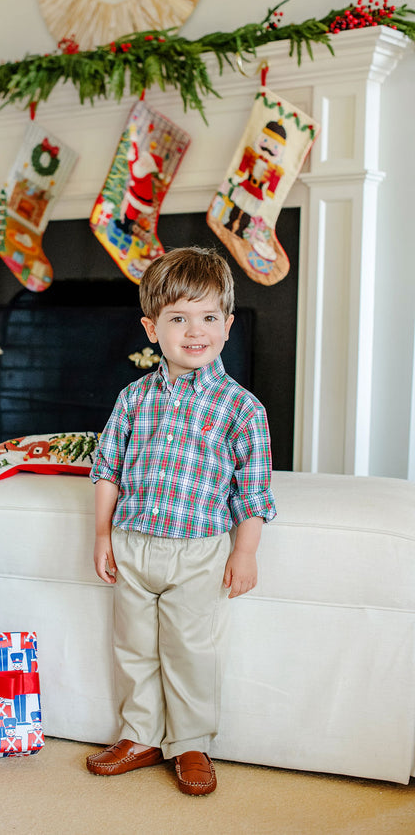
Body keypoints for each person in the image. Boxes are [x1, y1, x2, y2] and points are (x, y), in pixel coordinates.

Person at [86, 246, 276, 796]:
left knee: (191, 649)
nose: (196, 331)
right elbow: (108, 469)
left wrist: (246, 551)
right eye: (178, 318)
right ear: (151, 327)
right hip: (133, 543)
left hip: (198, 551)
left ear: (228, 324)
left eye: (209, 317)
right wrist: (102, 533)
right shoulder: (133, 398)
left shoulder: (242, 408)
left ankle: (191, 743)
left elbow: (253, 491)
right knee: (134, 645)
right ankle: (140, 734)